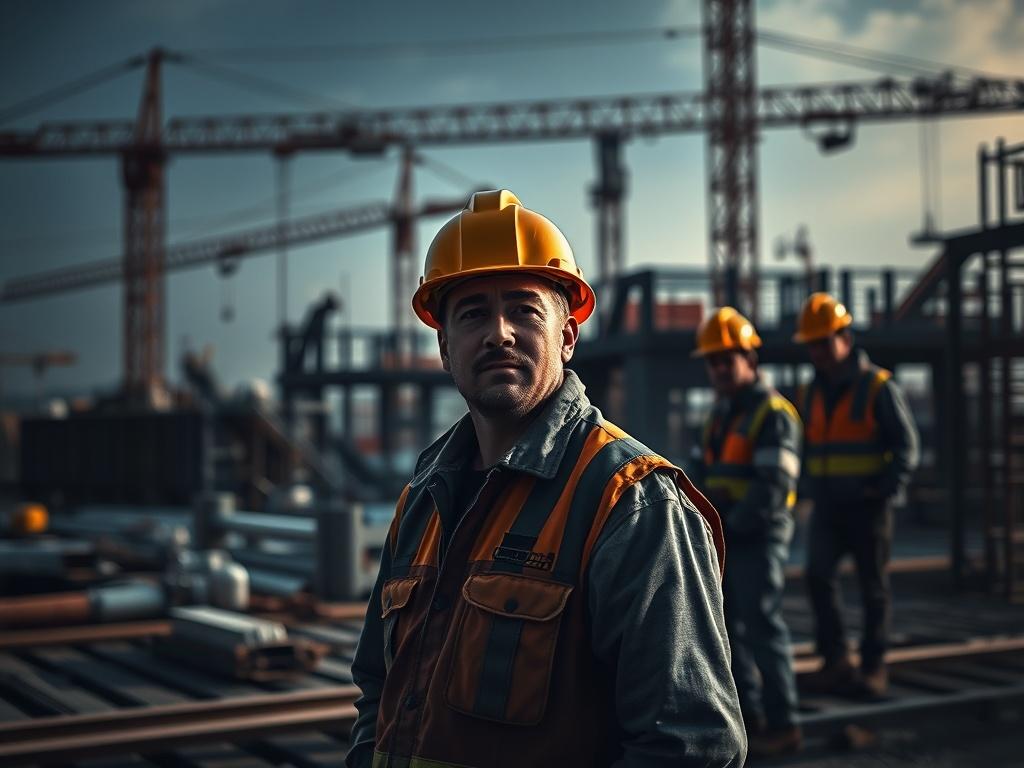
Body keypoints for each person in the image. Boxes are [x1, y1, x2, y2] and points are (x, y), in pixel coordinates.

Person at [346, 190, 746, 768]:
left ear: (567, 336)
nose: (499, 333)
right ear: (443, 346)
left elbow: (690, 747)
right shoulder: (422, 502)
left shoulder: (632, 503)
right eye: (473, 313)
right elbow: (377, 696)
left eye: (525, 310)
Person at [689, 307, 803, 758]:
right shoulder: (719, 414)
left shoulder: (774, 413)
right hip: (727, 536)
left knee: (762, 626)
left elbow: (772, 486)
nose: (718, 368)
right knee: (728, 631)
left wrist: (730, 527)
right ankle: (750, 717)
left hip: (757, 535)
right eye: (711, 361)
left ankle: (786, 723)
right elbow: (697, 472)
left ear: (750, 357)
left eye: (726, 359)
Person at [793, 292, 919, 698]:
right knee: (817, 577)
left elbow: (906, 446)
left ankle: (873, 666)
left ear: (845, 338)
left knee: (872, 587)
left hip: (869, 506)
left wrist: (883, 489)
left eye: (824, 342)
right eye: (812, 344)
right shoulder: (811, 393)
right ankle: (836, 661)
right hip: (829, 506)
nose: (818, 352)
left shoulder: (877, 387)